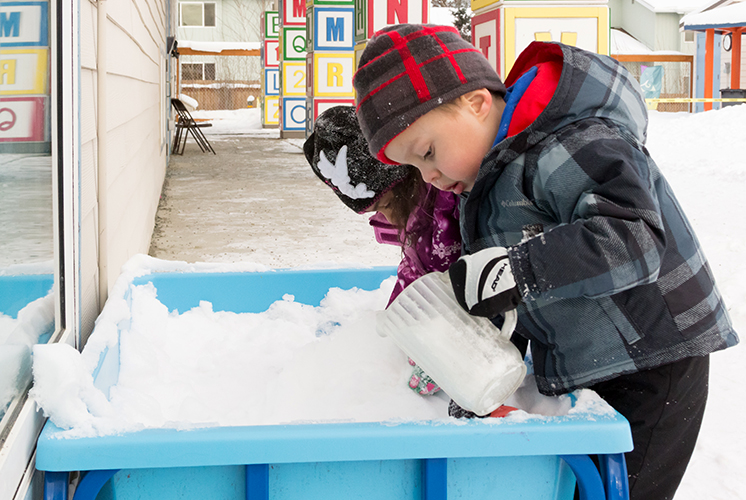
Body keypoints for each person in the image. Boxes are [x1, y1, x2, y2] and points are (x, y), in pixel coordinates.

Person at [353, 24, 739, 500]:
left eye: (428, 152)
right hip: (596, 359)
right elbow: (516, 292)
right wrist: (468, 360)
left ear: (476, 102)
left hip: (656, 358)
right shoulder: (491, 180)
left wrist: (517, 271)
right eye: (414, 167)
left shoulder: (571, 141)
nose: (429, 177)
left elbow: (636, 239)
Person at [303, 105, 462, 395]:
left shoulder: (446, 206)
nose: (387, 218)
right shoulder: (415, 211)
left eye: (386, 206)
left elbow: (457, 281)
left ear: (402, 176)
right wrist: (397, 323)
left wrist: (449, 348)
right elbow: (415, 269)